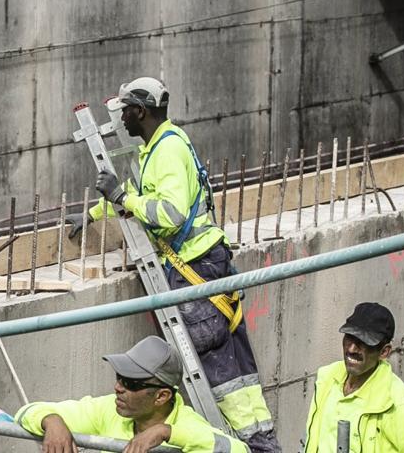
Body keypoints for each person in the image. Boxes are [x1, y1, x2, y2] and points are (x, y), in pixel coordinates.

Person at [66, 77, 280, 453]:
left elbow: (170, 213)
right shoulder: (160, 145)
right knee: (233, 370)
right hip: (204, 261)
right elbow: (143, 195)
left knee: (215, 368)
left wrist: (120, 197)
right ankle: (261, 443)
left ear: (140, 111)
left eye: (126, 111)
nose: (124, 120)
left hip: (193, 262)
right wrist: (96, 212)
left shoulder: (165, 150)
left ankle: (256, 447)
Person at [17, 335, 248, 453]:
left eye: (130, 383)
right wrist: (52, 421)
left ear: (161, 397)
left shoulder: (186, 425)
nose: (118, 387)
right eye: (119, 377)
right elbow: (24, 413)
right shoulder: (108, 409)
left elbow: (239, 451)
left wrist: (168, 433)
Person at [302, 303, 404, 452]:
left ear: (384, 352)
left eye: (363, 342)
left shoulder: (394, 400)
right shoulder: (327, 379)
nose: (352, 349)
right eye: (350, 337)